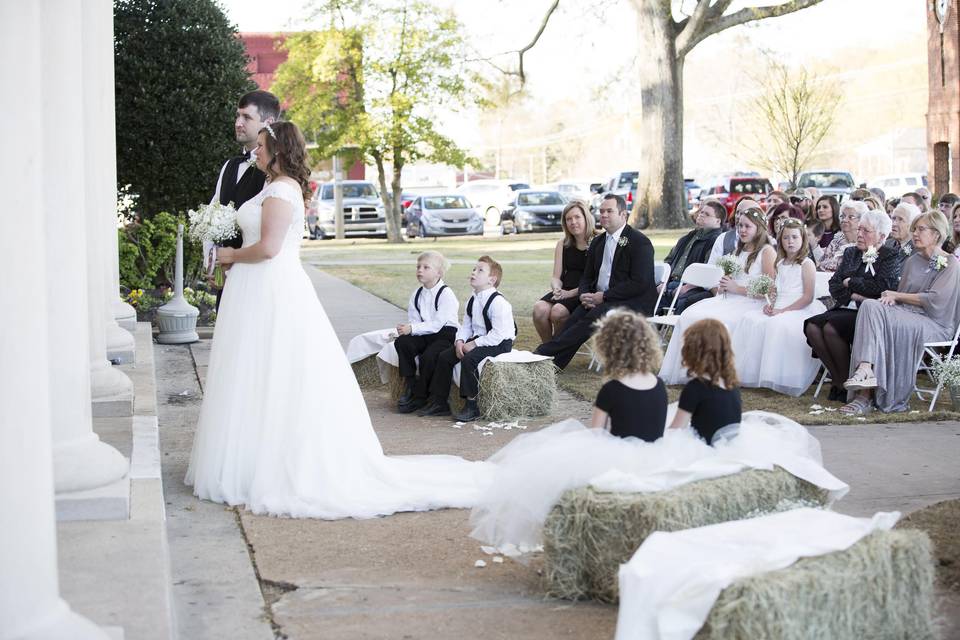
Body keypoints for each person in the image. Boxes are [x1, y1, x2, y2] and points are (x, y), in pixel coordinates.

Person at [186, 121, 489, 519]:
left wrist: (230, 256)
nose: (255, 152)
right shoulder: (268, 187)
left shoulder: (280, 190)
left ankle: (272, 464)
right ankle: (247, 456)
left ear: (277, 150)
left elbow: (271, 248)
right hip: (253, 290)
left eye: (261, 146)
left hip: (271, 290)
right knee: (252, 372)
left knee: (274, 370)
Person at [842, 210, 960, 414]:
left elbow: (935, 300)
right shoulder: (912, 261)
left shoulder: (950, 264)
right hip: (907, 316)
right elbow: (901, 297)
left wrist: (896, 295)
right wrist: (891, 298)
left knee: (874, 311)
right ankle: (865, 371)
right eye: (914, 229)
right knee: (871, 307)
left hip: (935, 323)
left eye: (920, 229)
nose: (914, 233)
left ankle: (865, 393)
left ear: (937, 234)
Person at [534, 193, 656, 369]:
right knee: (574, 319)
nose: (604, 215)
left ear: (623, 215)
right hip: (602, 299)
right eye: (601, 211)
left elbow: (639, 283)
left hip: (632, 301)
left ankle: (543, 354)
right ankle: (554, 365)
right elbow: (587, 277)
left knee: (588, 318)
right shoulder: (598, 242)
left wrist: (604, 296)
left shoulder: (639, 242)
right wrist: (584, 294)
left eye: (609, 211)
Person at [660, 207, 776, 385]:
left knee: (718, 322)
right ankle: (692, 368)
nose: (742, 230)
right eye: (739, 225)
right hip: (729, 299)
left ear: (759, 228)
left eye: (747, 226)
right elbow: (732, 280)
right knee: (690, 315)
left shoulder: (767, 251)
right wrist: (724, 285)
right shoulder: (739, 250)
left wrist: (736, 288)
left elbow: (770, 291)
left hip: (751, 303)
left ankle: (714, 371)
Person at [804, 209, 901, 402]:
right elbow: (834, 284)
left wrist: (851, 283)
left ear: (882, 236)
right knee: (812, 326)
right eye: (859, 230)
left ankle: (844, 383)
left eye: (866, 231)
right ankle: (840, 380)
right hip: (844, 308)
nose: (859, 234)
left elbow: (883, 287)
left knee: (831, 329)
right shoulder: (851, 252)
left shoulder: (889, 255)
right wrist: (855, 292)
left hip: (870, 314)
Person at [731, 218, 825, 395]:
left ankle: (783, 377)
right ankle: (752, 373)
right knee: (750, 319)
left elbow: (808, 297)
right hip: (779, 305)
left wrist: (783, 311)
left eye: (795, 237)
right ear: (780, 241)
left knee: (777, 325)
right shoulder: (780, 264)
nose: (790, 242)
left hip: (799, 308)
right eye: (786, 238)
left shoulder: (806, 264)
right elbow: (774, 290)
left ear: (803, 239)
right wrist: (770, 305)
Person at [207, 91, 280, 309]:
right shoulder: (229, 167)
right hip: (226, 282)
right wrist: (213, 266)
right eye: (237, 116)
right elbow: (212, 220)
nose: (238, 123)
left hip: (257, 279)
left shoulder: (276, 175)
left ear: (268, 122)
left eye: (247, 117)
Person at [421, 256, 515, 421]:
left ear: (491, 280)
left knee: (469, 360)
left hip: (499, 342)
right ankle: (440, 402)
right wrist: (460, 341)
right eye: (474, 269)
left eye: (480, 270)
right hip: (479, 339)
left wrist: (474, 344)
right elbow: (466, 326)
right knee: (444, 356)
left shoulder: (499, 303)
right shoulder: (473, 299)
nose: (474, 272)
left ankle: (472, 405)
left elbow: (499, 334)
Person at [394, 251, 460, 414]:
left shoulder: (446, 294)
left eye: (425, 267)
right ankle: (410, 385)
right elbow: (415, 320)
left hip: (446, 334)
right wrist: (408, 329)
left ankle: (421, 396)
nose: (420, 271)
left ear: (439, 272)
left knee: (429, 357)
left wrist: (413, 329)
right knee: (402, 342)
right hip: (425, 332)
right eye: (418, 267)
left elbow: (438, 324)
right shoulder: (417, 294)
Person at [591, 311, 667, 441]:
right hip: (654, 456)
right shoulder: (659, 384)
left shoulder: (611, 390)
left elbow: (595, 435)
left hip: (621, 458)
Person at [667, 319, 742, 444]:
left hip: (703, 449)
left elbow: (676, 430)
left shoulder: (695, 388)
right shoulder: (732, 384)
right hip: (727, 447)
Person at [532, 201, 596, 342]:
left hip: (586, 291)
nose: (573, 222)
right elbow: (556, 276)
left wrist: (569, 294)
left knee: (557, 312)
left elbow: (596, 280)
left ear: (586, 217)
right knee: (539, 309)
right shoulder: (563, 244)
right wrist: (556, 288)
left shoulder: (598, 241)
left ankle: (555, 350)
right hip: (564, 290)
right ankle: (548, 351)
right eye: (568, 219)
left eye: (577, 217)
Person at [657, 200, 724, 313]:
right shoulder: (687, 238)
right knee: (645, 292)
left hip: (691, 287)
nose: (701, 214)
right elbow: (669, 261)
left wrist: (687, 287)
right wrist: (663, 282)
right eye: (701, 212)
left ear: (718, 221)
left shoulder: (716, 241)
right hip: (670, 283)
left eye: (707, 214)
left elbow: (708, 270)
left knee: (684, 301)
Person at [818, 199, 866, 272]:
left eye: (851, 217)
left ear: (861, 221)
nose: (844, 220)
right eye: (842, 216)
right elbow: (822, 263)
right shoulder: (836, 241)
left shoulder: (862, 244)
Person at [809, 195, 840, 262]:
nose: (820, 210)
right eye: (818, 207)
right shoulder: (812, 230)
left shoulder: (840, 233)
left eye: (825, 207)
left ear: (834, 209)